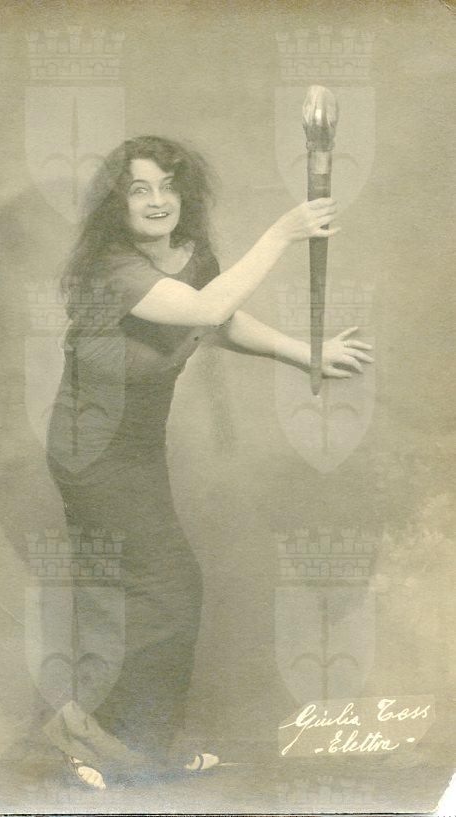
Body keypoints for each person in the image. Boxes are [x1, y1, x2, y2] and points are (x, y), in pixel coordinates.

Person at [44, 135, 373, 790]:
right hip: (92, 449)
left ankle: (131, 743)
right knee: (167, 587)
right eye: (139, 189)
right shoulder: (110, 267)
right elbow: (202, 307)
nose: (157, 201)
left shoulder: (190, 256)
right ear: (117, 202)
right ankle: (93, 731)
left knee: (153, 591)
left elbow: (220, 321)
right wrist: (282, 233)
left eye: (168, 186)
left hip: (138, 442)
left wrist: (304, 352)